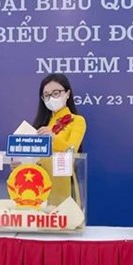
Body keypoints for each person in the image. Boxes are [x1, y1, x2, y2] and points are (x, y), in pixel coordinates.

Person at [32, 74, 86, 206]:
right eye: (46, 95)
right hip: (37, 186)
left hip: (62, 183)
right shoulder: (40, 124)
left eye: (56, 93)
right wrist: (20, 164)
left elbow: (72, 150)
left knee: (62, 221)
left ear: (67, 94)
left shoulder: (77, 121)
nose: (51, 98)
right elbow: (32, 157)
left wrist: (53, 138)